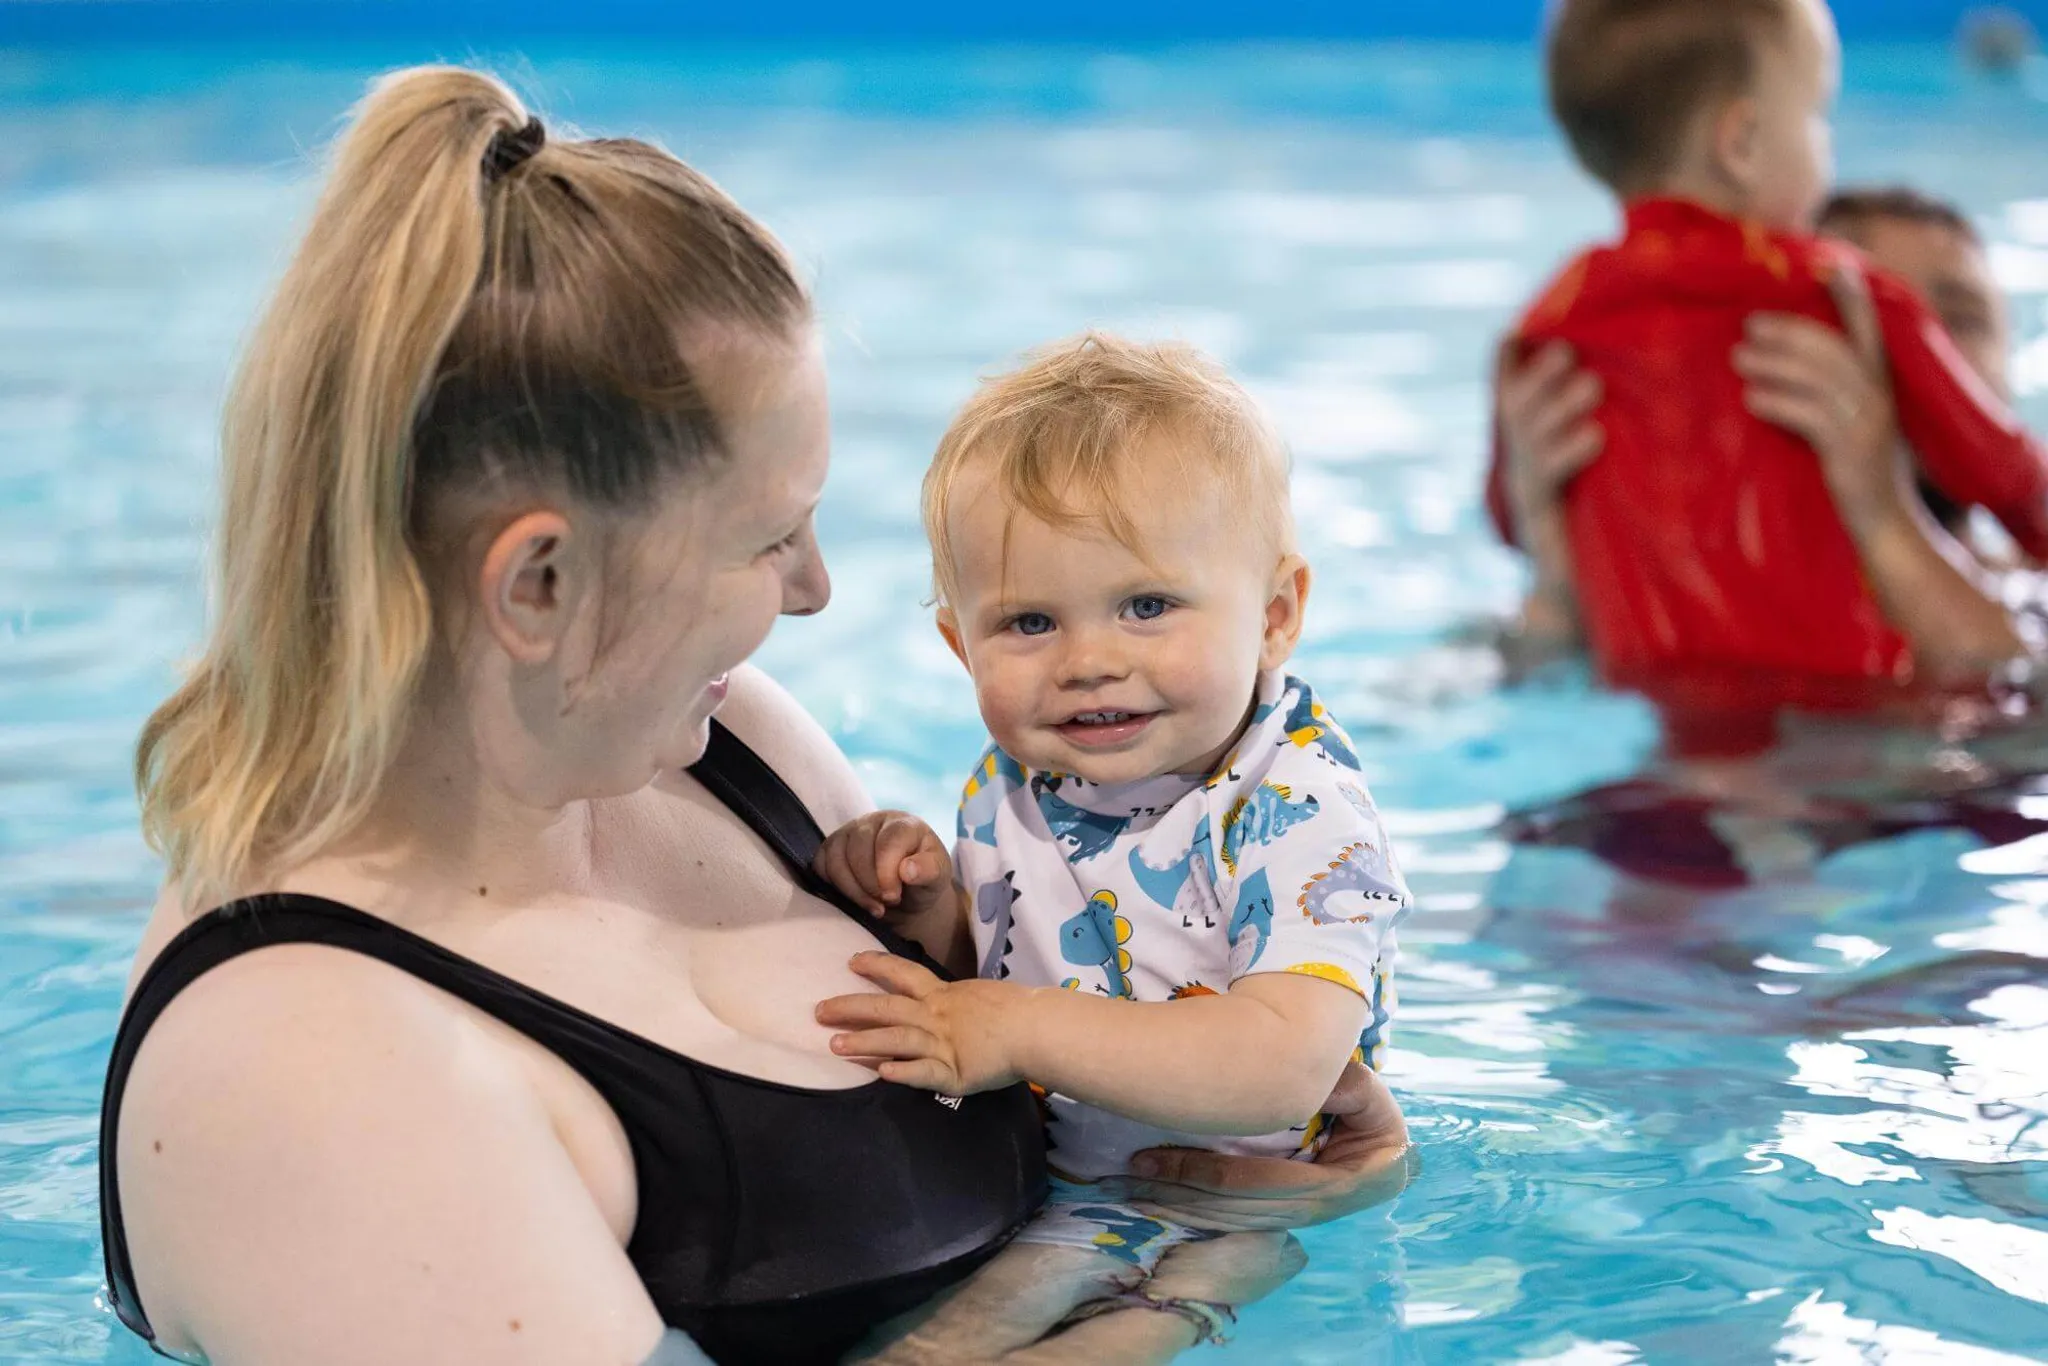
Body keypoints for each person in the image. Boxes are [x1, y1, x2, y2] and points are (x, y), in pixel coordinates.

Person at [96, 67, 1413, 1366]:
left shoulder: (724, 747)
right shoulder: (314, 1073)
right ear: (539, 584)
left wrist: (1267, 1196)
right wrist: (1179, 1301)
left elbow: (1078, 1011)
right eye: (768, 537)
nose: (815, 590)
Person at [810, 336, 1407, 1283]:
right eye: (1030, 622)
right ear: (961, 648)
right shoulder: (1013, 782)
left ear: (1275, 616)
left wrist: (1015, 1029)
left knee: (1096, 1333)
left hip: (1247, 1210)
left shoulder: (1295, 806)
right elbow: (1003, 975)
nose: (1088, 661)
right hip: (1065, 1196)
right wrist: (929, 912)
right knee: (953, 1337)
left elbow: (1285, 1067)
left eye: (1147, 606)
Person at [1489, 0, 2048, 748]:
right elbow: (1495, 688)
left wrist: (1883, 512)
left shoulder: (1562, 310)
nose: (1904, 359)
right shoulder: (1796, 285)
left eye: (1960, 317)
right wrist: (1553, 559)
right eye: (1844, 328)